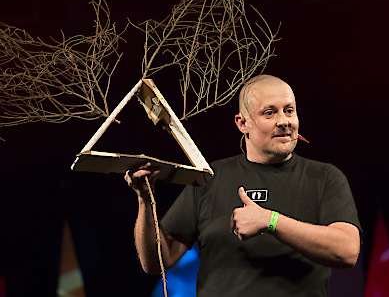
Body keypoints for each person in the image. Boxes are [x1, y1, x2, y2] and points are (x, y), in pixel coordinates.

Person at [125, 74, 361, 297]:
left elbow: (348, 251)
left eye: (289, 111)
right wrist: (145, 200)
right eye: (269, 113)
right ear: (242, 123)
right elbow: (155, 263)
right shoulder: (210, 178)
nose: (284, 121)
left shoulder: (325, 178)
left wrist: (270, 221)